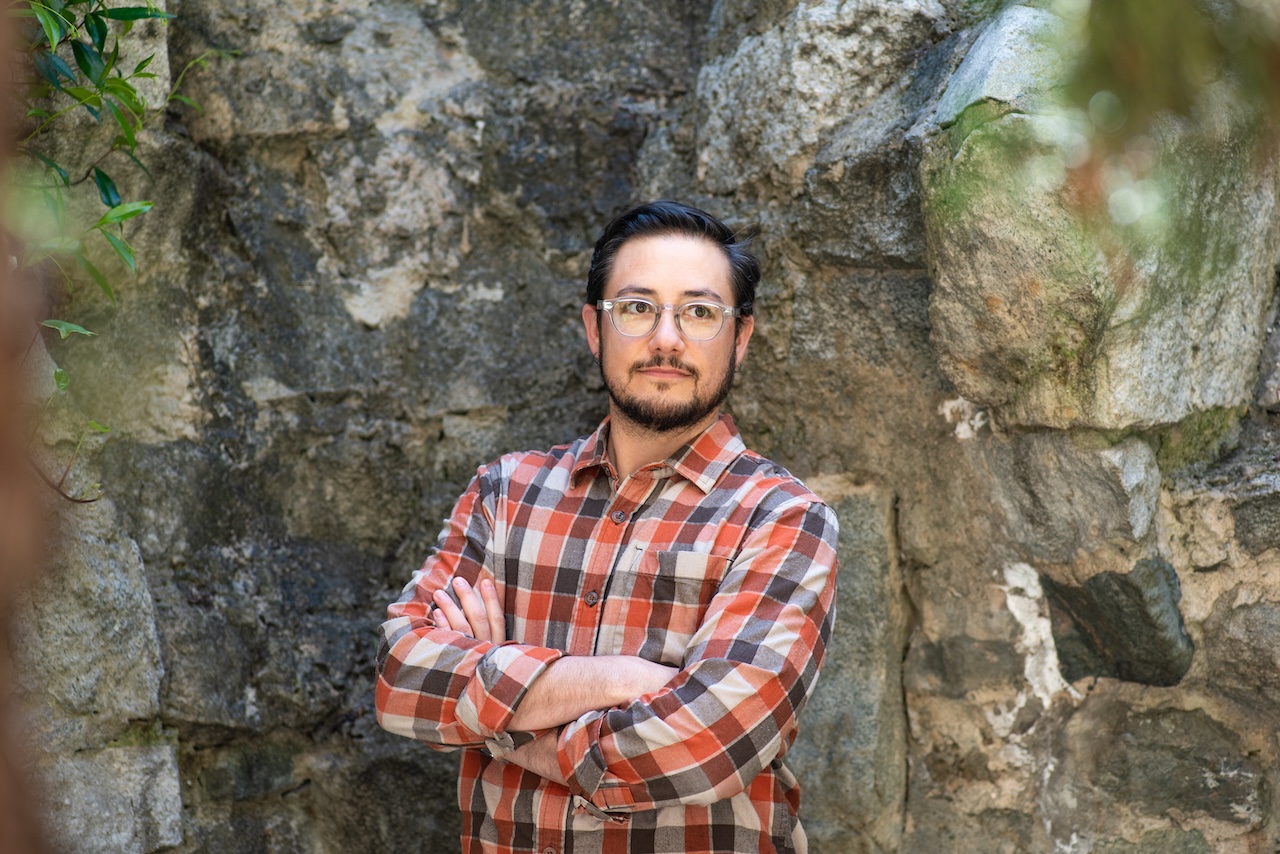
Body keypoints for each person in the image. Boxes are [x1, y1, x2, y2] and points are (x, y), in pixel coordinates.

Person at [376, 200, 839, 854]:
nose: (667, 339)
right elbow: (401, 679)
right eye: (638, 307)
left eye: (700, 312)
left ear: (740, 338)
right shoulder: (505, 493)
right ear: (595, 329)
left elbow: (708, 744)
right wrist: (619, 680)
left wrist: (501, 727)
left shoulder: (783, 519)